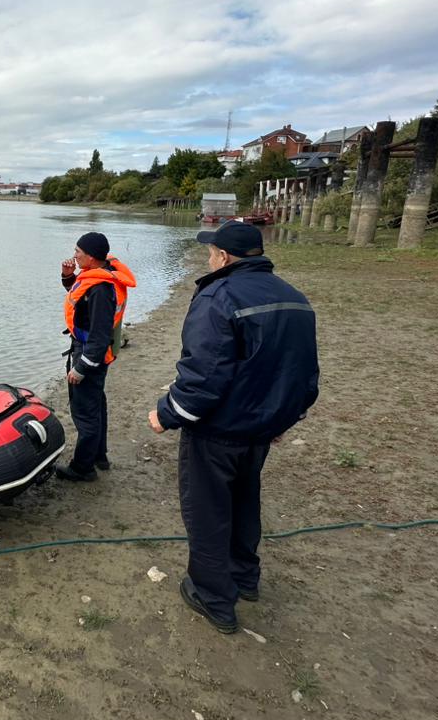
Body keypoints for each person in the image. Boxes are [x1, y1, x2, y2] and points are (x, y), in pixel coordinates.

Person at [147, 221, 319, 634]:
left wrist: (166, 414)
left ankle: (213, 598)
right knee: (244, 502)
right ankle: (245, 578)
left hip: (218, 431)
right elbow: (303, 373)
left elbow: (204, 375)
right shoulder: (294, 297)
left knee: (208, 512)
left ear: (223, 257)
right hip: (260, 430)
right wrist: (285, 418)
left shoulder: (218, 295)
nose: (209, 258)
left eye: (211, 253)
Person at [56, 231, 137, 481]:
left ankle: (83, 468)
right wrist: (68, 277)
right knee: (95, 405)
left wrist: (81, 368)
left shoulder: (102, 290)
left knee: (85, 412)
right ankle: (99, 456)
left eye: (78, 252)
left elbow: (100, 336)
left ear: (91, 258)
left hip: (90, 353)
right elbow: (81, 295)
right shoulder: (98, 277)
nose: (74, 256)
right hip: (91, 350)